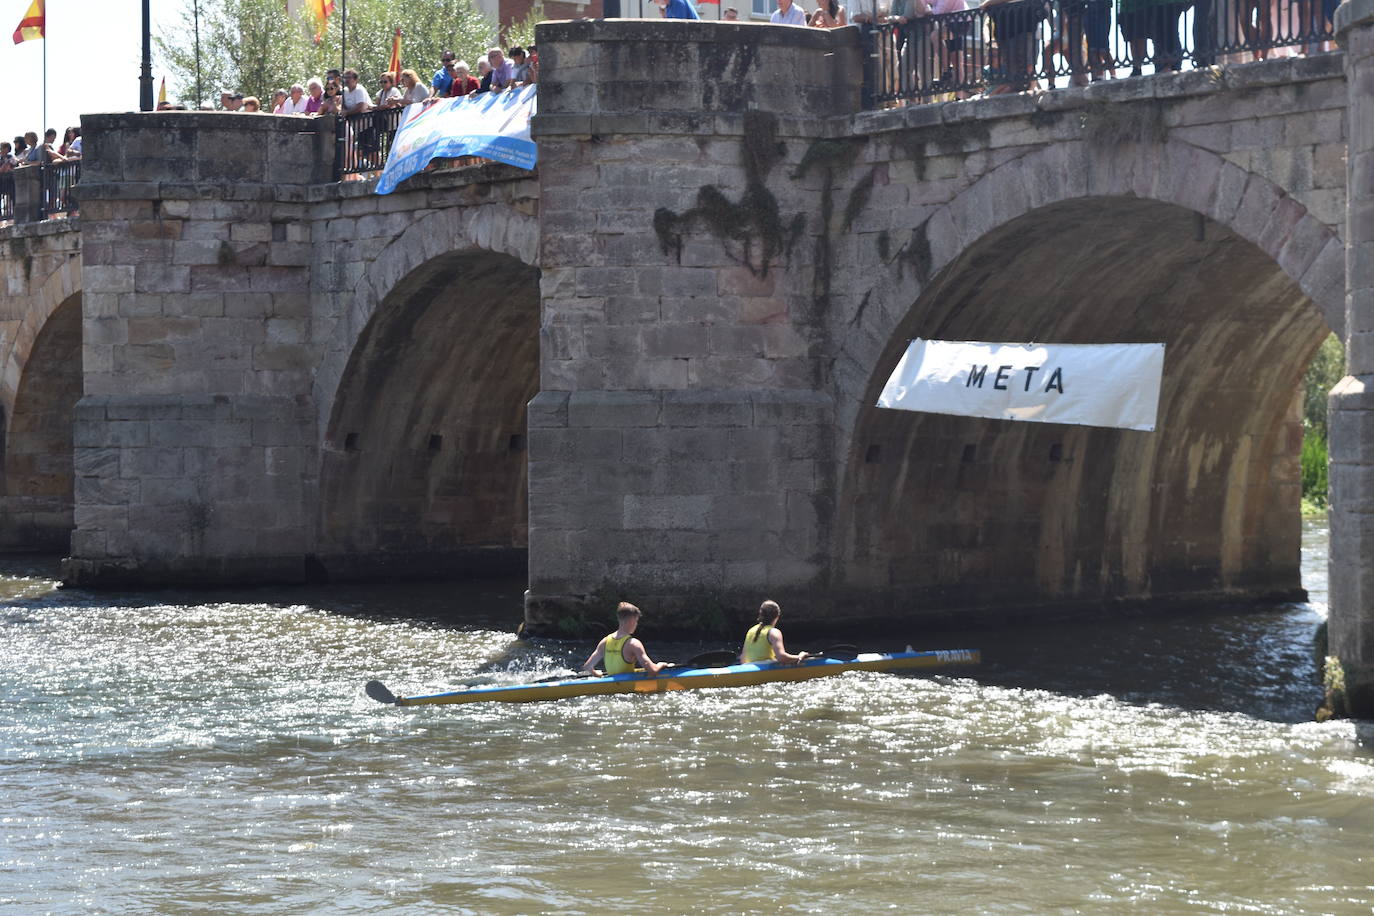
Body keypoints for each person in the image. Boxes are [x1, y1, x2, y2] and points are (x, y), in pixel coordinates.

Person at [581, 602, 666, 676]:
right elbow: (652, 671)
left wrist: (596, 674)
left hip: (611, 688)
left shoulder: (605, 641)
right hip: (626, 690)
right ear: (631, 621)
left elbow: (587, 667)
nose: (636, 624)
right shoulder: (633, 644)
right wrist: (661, 665)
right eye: (636, 621)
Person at [739, 600, 811, 666]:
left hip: (748, 668)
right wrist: (800, 656)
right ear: (777, 617)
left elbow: (743, 659)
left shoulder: (751, 630)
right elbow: (781, 657)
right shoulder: (774, 632)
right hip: (766, 670)